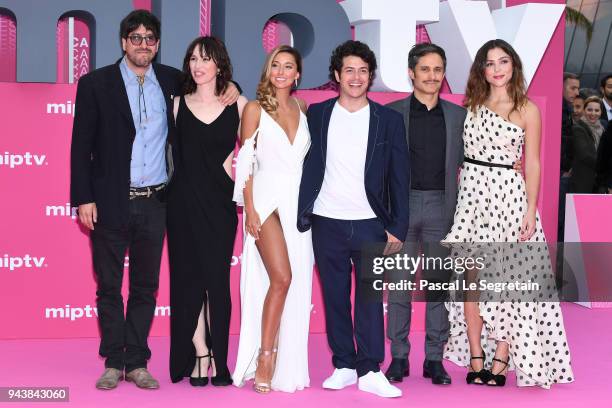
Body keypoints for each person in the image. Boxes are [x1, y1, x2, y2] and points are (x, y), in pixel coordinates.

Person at [70, 10, 237, 391]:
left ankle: (138, 360)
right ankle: (115, 361)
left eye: (149, 38)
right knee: (110, 286)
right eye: (135, 37)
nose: (142, 44)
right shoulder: (96, 83)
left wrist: (234, 88)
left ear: (157, 44)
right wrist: (83, 198)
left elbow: (211, 78)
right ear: (124, 42)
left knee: (146, 287)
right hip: (110, 201)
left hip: (158, 201)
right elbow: (81, 147)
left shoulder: (170, 80)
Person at [441, 39, 574, 388]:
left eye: (503, 61)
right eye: (489, 63)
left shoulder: (528, 109)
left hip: (510, 200)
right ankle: (475, 355)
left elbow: (532, 162)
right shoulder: (470, 105)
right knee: (472, 283)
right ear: (481, 70)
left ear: (513, 66)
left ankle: (502, 356)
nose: (497, 69)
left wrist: (531, 209)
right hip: (472, 201)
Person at [298, 40, 410, 398]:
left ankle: (371, 369)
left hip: (370, 223)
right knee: (333, 297)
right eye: (349, 70)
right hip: (326, 220)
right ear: (336, 75)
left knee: (369, 299)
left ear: (370, 76)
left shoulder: (388, 120)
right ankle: (344, 364)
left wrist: (397, 226)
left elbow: (399, 178)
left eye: (363, 71)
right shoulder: (316, 115)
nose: (356, 77)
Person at [232, 45, 314, 393]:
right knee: (281, 277)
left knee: (292, 286)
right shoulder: (254, 109)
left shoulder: (303, 107)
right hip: (265, 201)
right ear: (268, 71)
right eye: (275, 65)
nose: (281, 71)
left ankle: (285, 356)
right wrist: (249, 208)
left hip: (298, 205)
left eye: (288, 66)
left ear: (297, 74)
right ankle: (265, 355)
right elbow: (245, 161)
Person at [384, 43, 466, 386]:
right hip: (400, 209)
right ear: (411, 73)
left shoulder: (458, 115)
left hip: (442, 208)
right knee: (399, 286)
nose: (432, 76)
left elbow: (472, 162)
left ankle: (435, 359)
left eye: (438, 70)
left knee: (437, 288)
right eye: (425, 69)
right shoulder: (390, 113)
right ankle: (399, 357)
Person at [167, 36, 247, 387]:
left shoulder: (239, 104)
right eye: (193, 59)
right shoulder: (176, 104)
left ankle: (220, 358)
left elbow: (262, 150)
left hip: (220, 206)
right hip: (181, 204)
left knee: (217, 284)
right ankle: (199, 352)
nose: (198, 65)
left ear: (219, 65)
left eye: (205, 59)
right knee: (187, 284)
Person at [558, 73, 579, 240]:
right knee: (558, 221)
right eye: (573, 88)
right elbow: (560, 142)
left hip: (564, 173)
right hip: (559, 175)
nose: (576, 92)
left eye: (578, 88)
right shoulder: (560, 110)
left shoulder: (567, 110)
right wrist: (563, 169)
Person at [569, 96, 605, 193]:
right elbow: (584, 155)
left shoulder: (603, 130)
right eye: (589, 110)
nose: (593, 113)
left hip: (600, 183)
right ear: (584, 111)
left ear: (601, 112)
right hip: (583, 182)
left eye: (597, 110)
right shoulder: (578, 128)